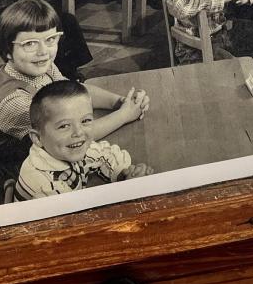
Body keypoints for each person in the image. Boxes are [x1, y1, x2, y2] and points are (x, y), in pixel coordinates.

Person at [0, 0, 148, 201]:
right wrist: (124, 115)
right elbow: (72, 135)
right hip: (28, 182)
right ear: (7, 51)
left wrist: (119, 102)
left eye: (50, 40)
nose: (43, 52)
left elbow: (74, 91)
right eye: (30, 44)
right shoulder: (14, 103)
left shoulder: (43, 67)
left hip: (56, 156)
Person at [15, 80, 153, 200]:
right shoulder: (45, 187)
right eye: (64, 126)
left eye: (85, 120)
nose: (79, 132)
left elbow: (102, 154)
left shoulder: (68, 148)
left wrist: (123, 173)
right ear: (38, 138)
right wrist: (127, 190)